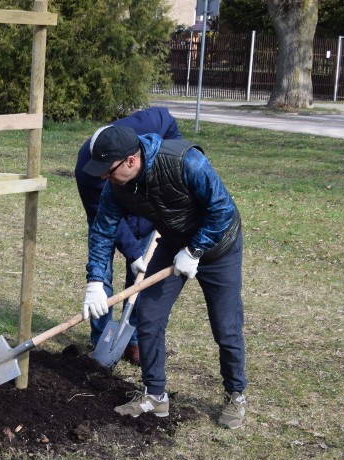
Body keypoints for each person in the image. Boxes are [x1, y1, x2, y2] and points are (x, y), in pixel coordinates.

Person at [81, 125, 247, 430]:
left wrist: (195, 250)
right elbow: (102, 231)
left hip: (219, 247)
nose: (105, 177)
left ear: (131, 161)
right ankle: (155, 395)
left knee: (226, 327)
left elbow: (222, 208)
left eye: (109, 170)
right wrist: (94, 283)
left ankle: (236, 394)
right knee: (147, 315)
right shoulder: (117, 188)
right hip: (173, 243)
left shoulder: (184, 162)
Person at [74, 107, 181, 365]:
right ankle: (102, 340)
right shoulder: (88, 174)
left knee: (139, 279)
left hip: (141, 205)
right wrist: (132, 253)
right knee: (102, 278)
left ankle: (131, 340)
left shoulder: (145, 125)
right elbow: (105, 224)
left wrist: (168, 163)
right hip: (107, 220)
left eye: (108, 170)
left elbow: (169, 123)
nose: (103, 175)